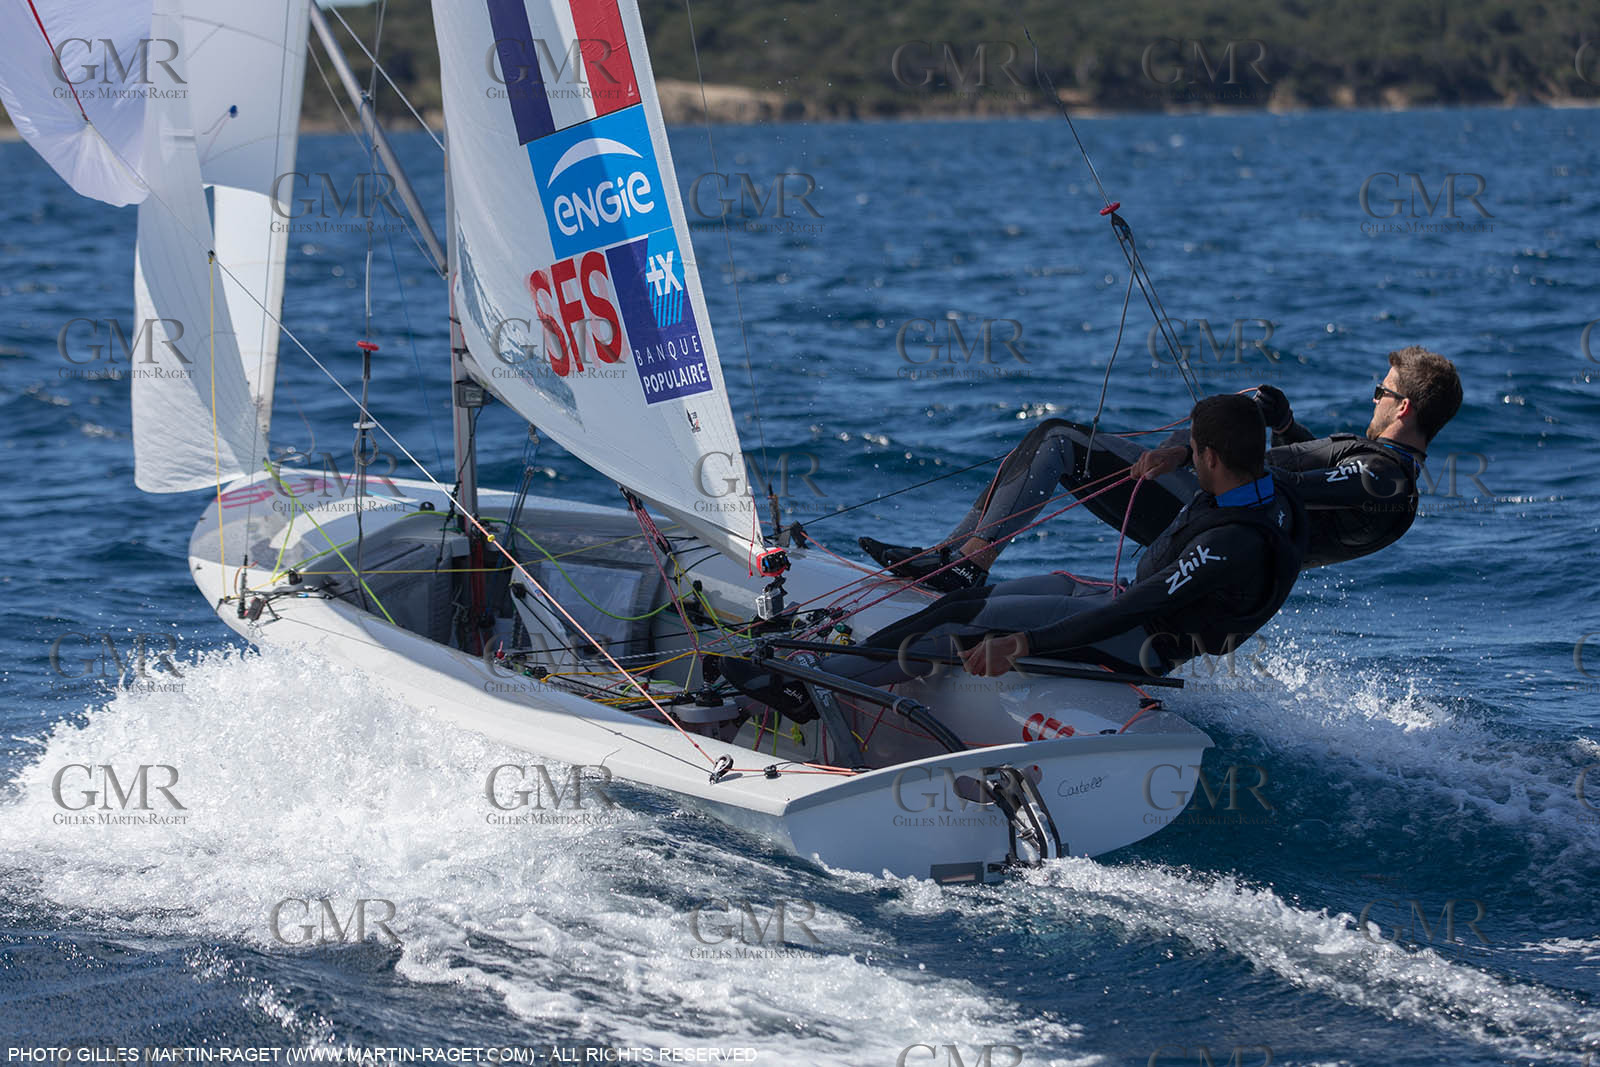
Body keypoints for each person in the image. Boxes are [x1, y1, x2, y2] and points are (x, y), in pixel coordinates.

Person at [719, 395, 1305, 716]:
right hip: (1131, 606)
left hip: (1138, 637)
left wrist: (1023, 646)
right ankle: (830, 666)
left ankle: (809, 682)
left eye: (1194, 452)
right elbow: (1244, 420)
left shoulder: (1227, 545)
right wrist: (1180, 452)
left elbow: (1127, 612)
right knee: (971, 598)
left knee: (956, 624)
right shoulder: (1266, 487)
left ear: (1213, 459)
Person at [861, 345, 1462, 589]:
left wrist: (1190, 451)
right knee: (1059, 442)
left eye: (1381, 394)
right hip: (1215, 545)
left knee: (1059, 439)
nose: (1373, 401)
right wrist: (1284, 426)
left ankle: (967, 564)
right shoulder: (1388, 481)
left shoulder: (1385, 476)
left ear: (1403, 407)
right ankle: (954, 556)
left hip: (1203, 522)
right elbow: (1306, 485)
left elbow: (1293, 485)